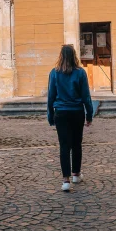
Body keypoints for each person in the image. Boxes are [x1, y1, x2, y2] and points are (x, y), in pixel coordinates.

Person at [47, 44, 94, 191]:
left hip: (61, 112)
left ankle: (65, 180)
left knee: (64, 146)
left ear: (61, 56)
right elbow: (86, 96)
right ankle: (76, 174)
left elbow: (50, 97)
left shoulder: (54, 73)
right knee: (76, 144)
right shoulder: (80, 73)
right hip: (76, 112)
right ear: (74, 55)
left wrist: (50, 115)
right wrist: (89, 114)